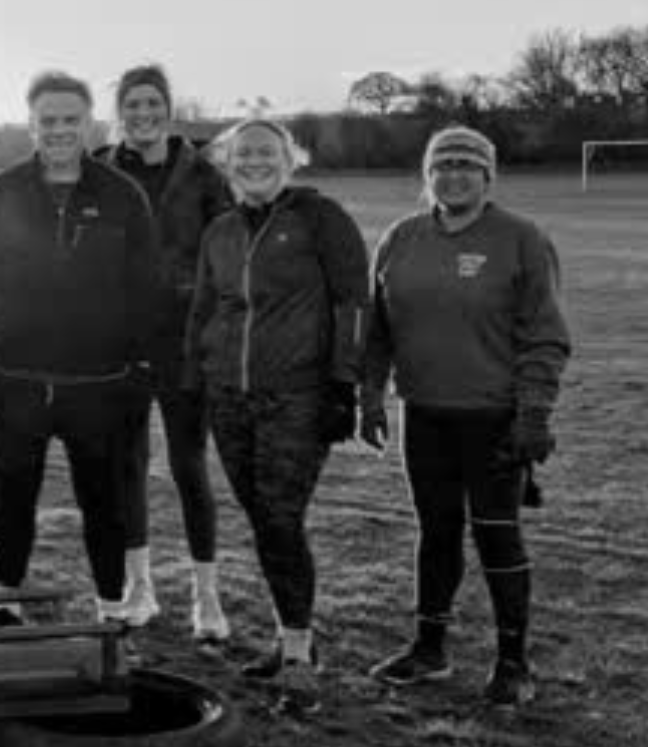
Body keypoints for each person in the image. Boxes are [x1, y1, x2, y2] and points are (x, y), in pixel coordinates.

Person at [361, 126, 571, 710]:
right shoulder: (400, 237)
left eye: (466, 164)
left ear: (487, 175)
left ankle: (513, 663)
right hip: (424, 414)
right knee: (437, 532)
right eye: (442, 164)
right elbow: (377, 331)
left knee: (497, 535)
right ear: (426, 174)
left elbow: (545, 338)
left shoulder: (521, 240)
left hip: (495, 419)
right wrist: (371, 396)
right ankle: (429, 649)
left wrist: (534, 414)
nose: (453, 174)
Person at [0, 72, 158, 626]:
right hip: (19, 382)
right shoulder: (3, 192)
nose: (60, 130)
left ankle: (111, 607)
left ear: (89, 122)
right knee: (17, 501)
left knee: (104, 504)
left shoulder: (122, 195)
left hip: (99, 385)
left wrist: (140, 371)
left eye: (71, 119)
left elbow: (145, 289)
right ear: (31, 125)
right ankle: (6, 601)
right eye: (48, 120)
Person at [185, 118, 370, 715]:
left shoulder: (320, 219)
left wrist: (344, 385)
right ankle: (291, 638)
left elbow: (354, 303)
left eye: (267, 151)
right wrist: (198, 373)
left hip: (296, 396)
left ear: (290, 159)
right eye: (243, 154)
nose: (255, 162)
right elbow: (204, 309)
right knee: (263, 519)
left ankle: (297, 656)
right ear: (226, 163)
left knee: (282, 518)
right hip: (229, 399)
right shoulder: (220, 230)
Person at [92, 65, 235, 637]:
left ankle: (207, 597)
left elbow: (227, 251)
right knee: (126, 466)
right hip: (119, 344)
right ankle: (140, 587)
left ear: (168, 110)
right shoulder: (98, 169)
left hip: (184, 342)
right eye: (133, 105)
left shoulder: (201, 173)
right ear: (120, 111)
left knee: (188, 466)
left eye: (153, 104)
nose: (143, 114)